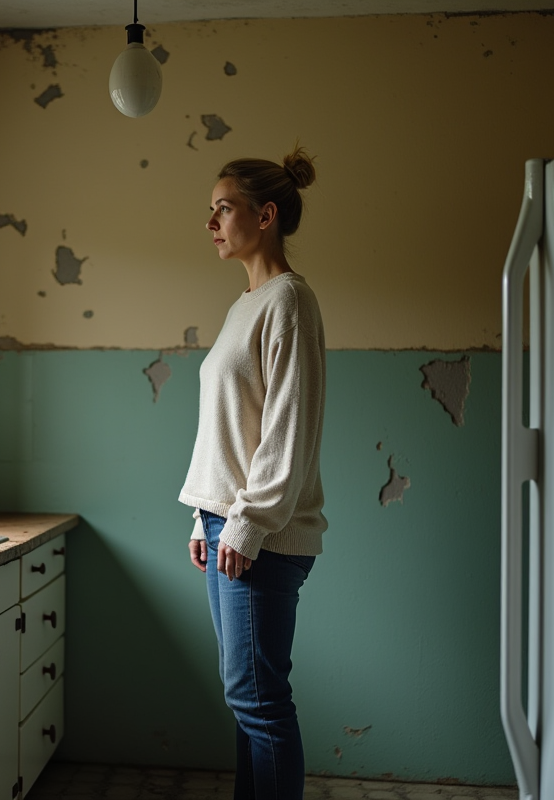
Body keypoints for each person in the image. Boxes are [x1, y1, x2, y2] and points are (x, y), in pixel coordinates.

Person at [178, 146, 327, 800]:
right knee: (247, 700)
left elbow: (287, 429)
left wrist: (246, 524)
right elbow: (232, 426)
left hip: (259, 534)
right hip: (229, 524)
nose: (211, 223)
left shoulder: (289, 300)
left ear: (265, 215)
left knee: (260, 701)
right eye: (210, 212)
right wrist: (205, 515)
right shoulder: (247, 304)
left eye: (223, 209)